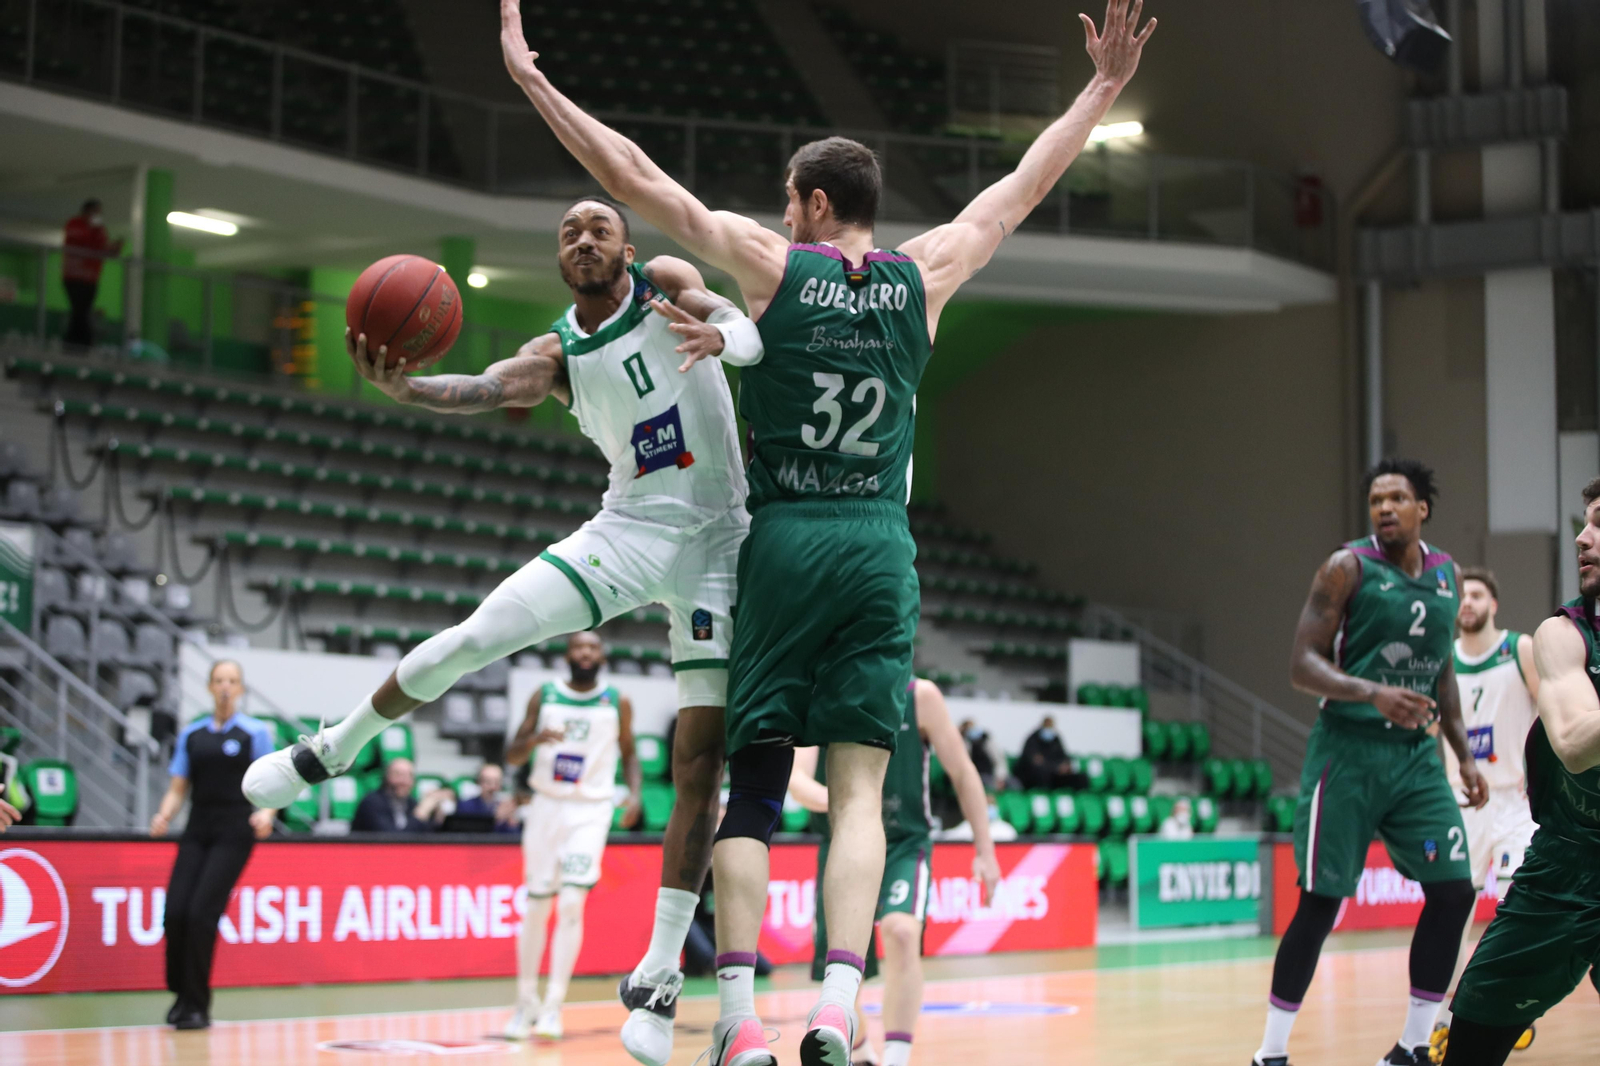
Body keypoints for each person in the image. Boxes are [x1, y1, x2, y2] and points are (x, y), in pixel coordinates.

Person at [495, 2, 1155, 1062]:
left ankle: (745, 1018)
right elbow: (1023, 187)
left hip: (788, 537)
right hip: (879, 545)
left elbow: (636, 183)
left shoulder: (775, 265)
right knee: (859, 794)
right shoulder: (923, 273)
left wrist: (533, 81)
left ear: (808, 203)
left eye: (787, 202)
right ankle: (841, 1007)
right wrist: (1101, 88)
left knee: (754, 786)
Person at [243, 188, 763, 1063]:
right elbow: (485, 388)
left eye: (600, 225)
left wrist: (724, 335)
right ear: (561, 262)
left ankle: (662, 972)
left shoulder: (669, 283)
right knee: (475, 635)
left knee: (702, 763)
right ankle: (332, 747)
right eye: (570, 231)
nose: (584, 235)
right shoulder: (559, 349)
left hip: (723, 538)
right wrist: (409, 388)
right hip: (630, 528)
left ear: (628, 249)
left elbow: (740, 331)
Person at [1252, 459, 1487, 1066]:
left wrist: (1463, 754)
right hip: (1348, 753)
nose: (1384, 508)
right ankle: (1270, 1052)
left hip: (1416, 759)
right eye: (1376, 500)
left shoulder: (1447, 576)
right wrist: (1371, 691)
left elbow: (1442, 672)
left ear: (1422, 508)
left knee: (1455, 892)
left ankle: (1411, 1046)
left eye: (1397, 498)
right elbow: (1301, 665)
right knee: (1321, 904)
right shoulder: (1346, 568)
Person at [1437, 477, 1600, 1065]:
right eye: (1584, 523)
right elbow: (1576, 742)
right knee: (1473, 1008)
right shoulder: (1563, 634)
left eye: (1599, 524)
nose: (1582, 537)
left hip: (1511, 805)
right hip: (1563, 854)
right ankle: (1427, 1021)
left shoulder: (1514, 650)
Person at [788, 680, 1000, 1066]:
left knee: (901, 931)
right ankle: (863, 1050)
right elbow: (797, 780)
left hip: (904, 841)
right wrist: (848, 804)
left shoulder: (920, 696)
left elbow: (964, 772)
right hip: (844, 844)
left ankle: (897, 1058)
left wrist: (985, 850)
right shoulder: (822, 691)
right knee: (842, 968)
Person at [503, 631, 642, 1040]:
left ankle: (553, 1005)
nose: (586, 652)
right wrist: (533, 740)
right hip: (546, 805)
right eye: (579, 646)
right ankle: (524, 1000)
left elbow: (630, 752)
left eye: (593, 647)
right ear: (567, 654)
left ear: (601, 655)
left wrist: (634, 793)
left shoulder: (618, 700)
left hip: (591, 810)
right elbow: (512, 754)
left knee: (571, 904)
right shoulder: (543, 694)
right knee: (537, 904)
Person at [1431, 569, 1541, 1051]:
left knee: (1520, 907)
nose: (1467, 602)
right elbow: (1437, 735)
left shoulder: (1520, 649)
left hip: (1517, 799)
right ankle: (1439, 1020)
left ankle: (1510, 1007)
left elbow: (1553, 707)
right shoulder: (1444, 660)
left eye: (1476, 594)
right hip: (1463, 801)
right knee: (1450, 911)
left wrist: (1546, 770)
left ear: (1493, 603)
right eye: (1461, 596)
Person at [148, 661, 277, 1030]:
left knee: (202, 914)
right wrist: (163, 816)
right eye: (219, 680)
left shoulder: (255, 733)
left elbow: (272, 780)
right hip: (197, 828)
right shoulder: (193, 734)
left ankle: (196, 1005)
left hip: (234, 830)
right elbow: (177, 788)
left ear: (240, 689)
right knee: (175, 912)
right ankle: (180, 991)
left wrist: (266, 812)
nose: (225, 687)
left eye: (232, 681)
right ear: (209, 687)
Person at [62, 199, 122, 349]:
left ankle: (76, 345)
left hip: (91, 278)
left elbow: (101, 249)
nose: (97, 215)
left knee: (83, 310)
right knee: (79, 310)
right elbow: (84, 242)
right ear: (86, 211)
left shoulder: (100, 229)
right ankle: (80, 344)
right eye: (95, 212)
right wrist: (94, 233)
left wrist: (113, 249)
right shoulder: (74, 224)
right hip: (74, 276)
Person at [350, 758, 449, 832]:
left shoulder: (411, 802)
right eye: (398, 775)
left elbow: (424, 839)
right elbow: (391, 841)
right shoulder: (371, 802)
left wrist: (437, 818)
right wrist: (420, 814)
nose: (403, 781)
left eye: (408, 776)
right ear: (386, 777)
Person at [1015, 715, 1080, 791]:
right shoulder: (1033, 739)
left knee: (1079, 778)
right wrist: (1054, 767)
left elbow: (1063, 756)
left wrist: (1064, 765)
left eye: (1050, 727)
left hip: (1054, 774)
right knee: (1042, 774)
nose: (1048, 730)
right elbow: (1034, 760)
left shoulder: (1056, 740)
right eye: (1047, 726)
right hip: (1034, 776)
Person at [453, 763, 519, 833]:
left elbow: (514, 836)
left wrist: (512, 822)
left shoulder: (505, 806)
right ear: (479, 782)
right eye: (488, 782)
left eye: (497, 782)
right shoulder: (465, 806)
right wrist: (496, 819)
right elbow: (466, 833)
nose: (492, 787)